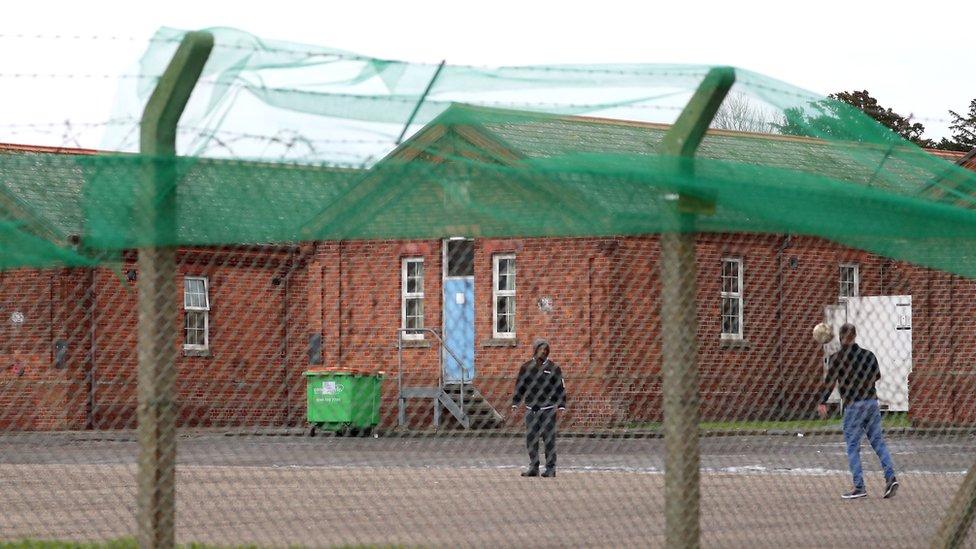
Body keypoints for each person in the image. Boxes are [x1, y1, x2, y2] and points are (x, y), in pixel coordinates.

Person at [818, 323, 898, 499]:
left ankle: (859, 486)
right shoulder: (868, 355)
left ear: (840, 337)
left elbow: (830, 382)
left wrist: (822, 401)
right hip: (871, 402)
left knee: (853, 447)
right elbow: (877, 375)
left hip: (853, 405)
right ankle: (890, 477)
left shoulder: (836, 358)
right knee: (878, 442)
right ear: (855, 336)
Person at [511, 339, 566, 478]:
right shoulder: (526, 367)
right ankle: (534, 467)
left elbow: (560, 388)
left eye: (546, 350)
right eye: (541, 349)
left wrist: (561, 405)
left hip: (547, 409)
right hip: (531, 409)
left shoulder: (554, 368)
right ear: (535, 350)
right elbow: (520, 387)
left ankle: (550, 468)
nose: (543, 352)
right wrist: (515, 403)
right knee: (531, 439)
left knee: (548, 439)